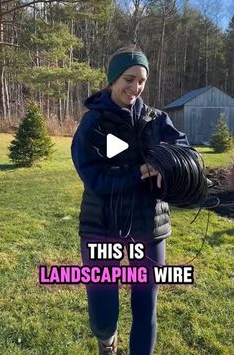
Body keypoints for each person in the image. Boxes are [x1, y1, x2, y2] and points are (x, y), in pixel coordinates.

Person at [71, 46, 188, 355]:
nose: (135, 87)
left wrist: (168, 165)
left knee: (145, 307)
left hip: (149, 226)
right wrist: (138, 173)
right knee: (103, 311)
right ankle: (107, 341)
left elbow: (184, 151)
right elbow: (94, 178)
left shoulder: (157, 120)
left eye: (142, 81)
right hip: (102, 226)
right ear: (112, 79)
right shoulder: (93, 125)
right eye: (128, 78)